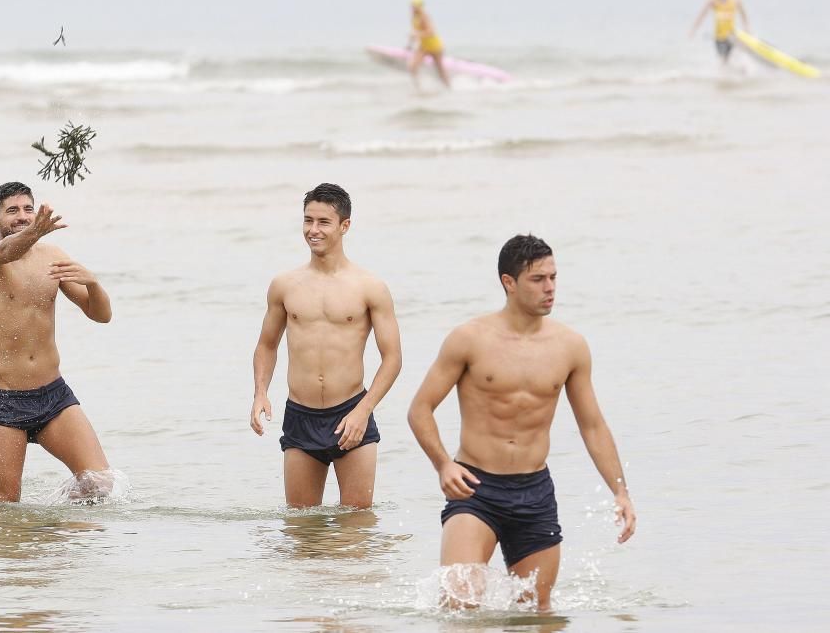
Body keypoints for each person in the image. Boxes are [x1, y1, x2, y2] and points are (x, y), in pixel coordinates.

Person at [407, 234, 636, 611]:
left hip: (535, 493)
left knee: (536, 614)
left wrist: (621, 492)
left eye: (553, 278)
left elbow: (592, 425)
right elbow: (420, 409)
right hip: (474, 489)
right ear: (508, 283)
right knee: (459, 604)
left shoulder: (570, 346)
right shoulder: (469, 339)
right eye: (538, 280)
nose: (550, 288)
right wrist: (443, 464)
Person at [250, 183, 402, 509]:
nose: (313, 230)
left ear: (344, 226)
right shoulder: (285, 285)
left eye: (323, 222)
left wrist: (364, 411)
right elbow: (266, 344)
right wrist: (260, 392)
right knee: (303, 532)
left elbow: (392, 359)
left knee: (356, 529)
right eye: (308, 221)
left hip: (351, 412)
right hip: (300, 415)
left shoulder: (369, 287)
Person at [0, 181, 113, 502]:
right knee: (5, 506)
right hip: (3, 399)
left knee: (101, 485)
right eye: (12, 211)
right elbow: (6, 251)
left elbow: (100, 315)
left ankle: (55, 534)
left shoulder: (53, 256)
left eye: (27, 209)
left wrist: (92, 282)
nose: (21, 216)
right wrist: (35, 232)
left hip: (53, 396)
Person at [689, 0, 749, 64]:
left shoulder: (735, 0)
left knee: (736, 57)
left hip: (732, 36)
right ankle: (724, 76)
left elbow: (743, 14)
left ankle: (739, 73)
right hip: (719, 37)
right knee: (723, 60)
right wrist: (693, 30)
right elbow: (701, 16)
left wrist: (747, 28)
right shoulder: (713, 1)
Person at [408, 0, 451, 89]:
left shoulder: (424, 16)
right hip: (423, 46)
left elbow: (431, 31)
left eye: (414, 6)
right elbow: (414, 33)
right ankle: (418, 87)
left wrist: (417, 34)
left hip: (434, 46)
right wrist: (409, 45)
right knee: (412, 67)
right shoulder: (414, 18)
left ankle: (448, 87)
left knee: (440, 70)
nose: (413, 8)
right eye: (412, 6)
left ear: (420, 6)